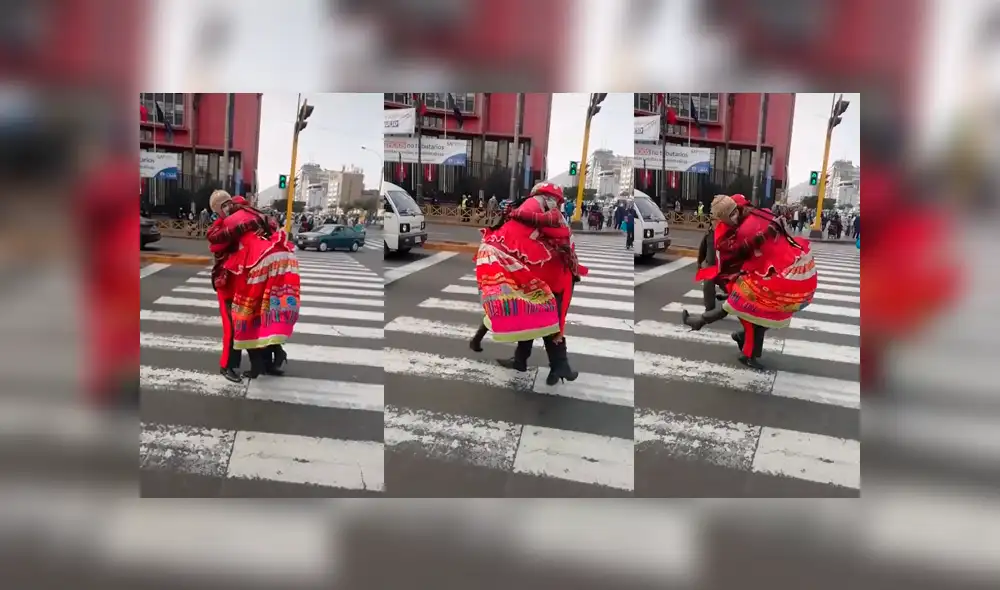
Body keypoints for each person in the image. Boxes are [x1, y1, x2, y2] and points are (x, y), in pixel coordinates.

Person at [681, 194, 818, 369]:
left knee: (764, 317)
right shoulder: (722, 233)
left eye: (734, 212)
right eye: (729, 216)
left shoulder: (749, 215)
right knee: (749, 320)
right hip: (739, 279)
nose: (734, 217)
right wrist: (764, 235)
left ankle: (733, 335)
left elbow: (764, 232)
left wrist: (775, 226)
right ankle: (747, 354)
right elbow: (737, 251)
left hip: (757, 277)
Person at [471, 182, 587, 385]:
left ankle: (559, 366)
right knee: (530, 315)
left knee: (546, 320)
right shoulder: (545, 216)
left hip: (554, 278)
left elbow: (529, 224)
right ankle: (523, 360)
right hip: (549, 276)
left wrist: (516, 214)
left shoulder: (547, 215)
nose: (545, 203)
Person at [207, 190, 300, 378]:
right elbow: (215, 239)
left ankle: (268, 362)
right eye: (221, 207)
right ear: (216, 211)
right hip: (230, 284)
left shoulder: (248, 212)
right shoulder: (224, 225)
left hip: (252, 281)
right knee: (234, 327)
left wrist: (257, 226)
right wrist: (246, 226)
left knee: (258, 321)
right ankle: (228, 365)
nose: (226, 208)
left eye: (227, 203)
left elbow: (271, 223)